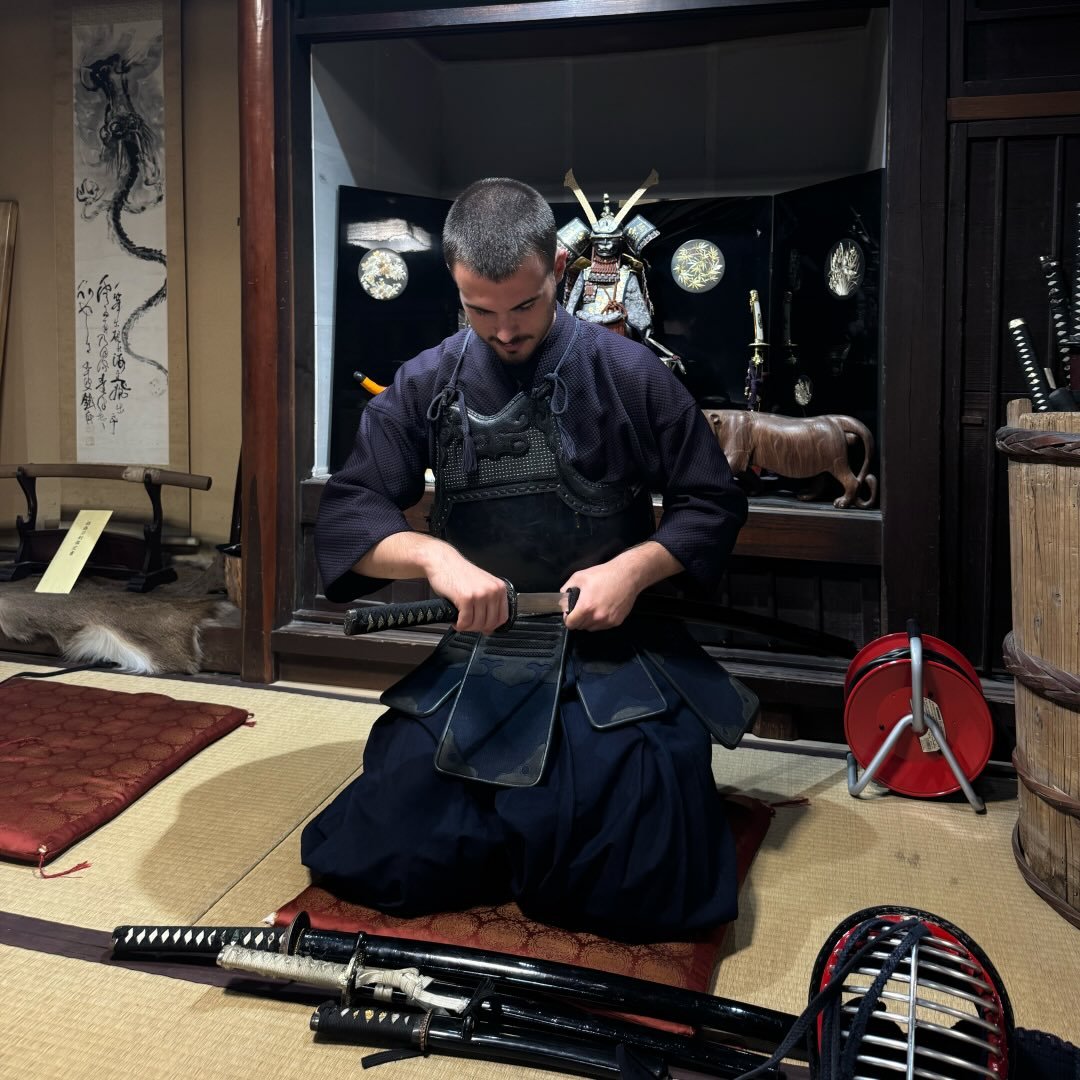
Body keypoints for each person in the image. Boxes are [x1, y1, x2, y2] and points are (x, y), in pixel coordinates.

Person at [304, 177, 750, 943]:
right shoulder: (425, 382)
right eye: (480, 311)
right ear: (455, 282)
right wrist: (434, 558)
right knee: (382, 858)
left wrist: (633, 569)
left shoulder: (632, 374)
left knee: (637, 879)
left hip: (607, 652)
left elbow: (710, 502)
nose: (505, 332)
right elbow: (353, 510)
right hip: (484, 654)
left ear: (558, 270)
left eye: (525, 306)